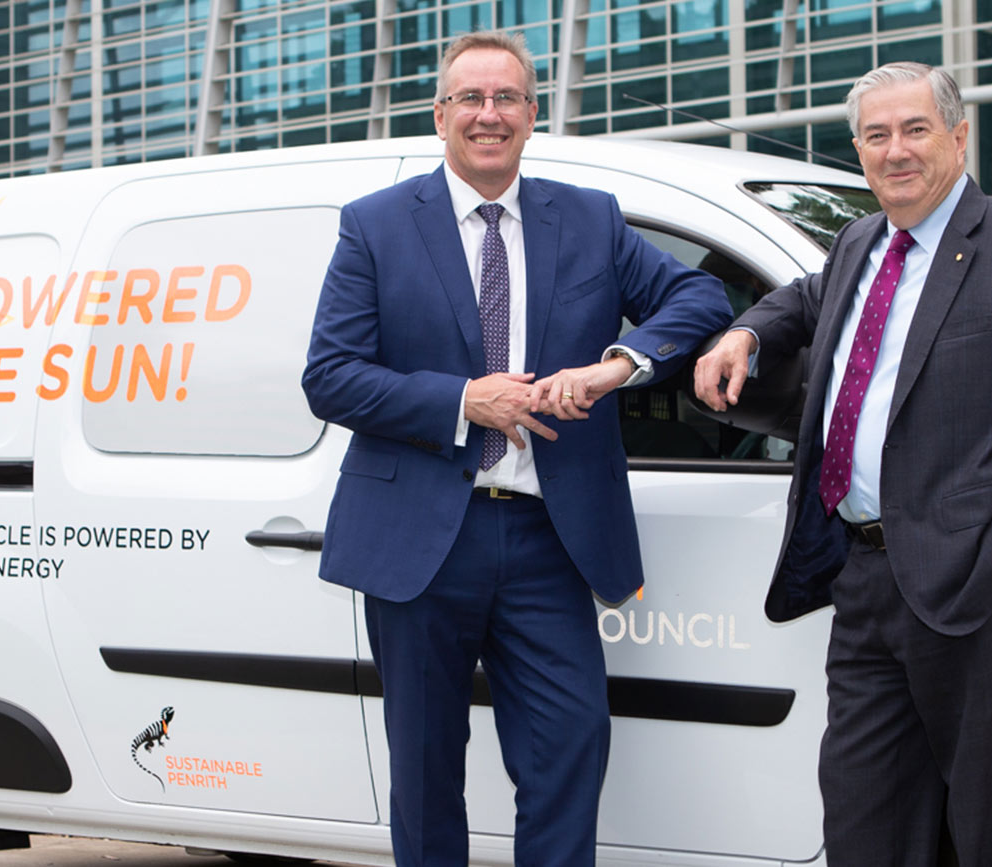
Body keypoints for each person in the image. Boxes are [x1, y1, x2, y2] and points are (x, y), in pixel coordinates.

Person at [300, 30, 731, 867]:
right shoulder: (376, 226)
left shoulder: (590, 218)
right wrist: (466, 399)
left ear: (533, 115)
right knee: (425, 768)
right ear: (441, 115)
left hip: (548, 536)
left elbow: (698, 293)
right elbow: (331, 376)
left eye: (507, 99)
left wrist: (616, 367)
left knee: (571, 745)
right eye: (471, 98)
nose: (488, 114)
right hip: (421, 537)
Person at [692, 61, 992, 865]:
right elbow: (808, 300)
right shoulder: (860, 243)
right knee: (863, 812)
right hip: (863, 577)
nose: (896, 151)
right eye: (877, 135)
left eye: (915, 129)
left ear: (958, 136)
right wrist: (746, 333)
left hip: (967, 580)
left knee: (990, 819)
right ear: (858, 149)